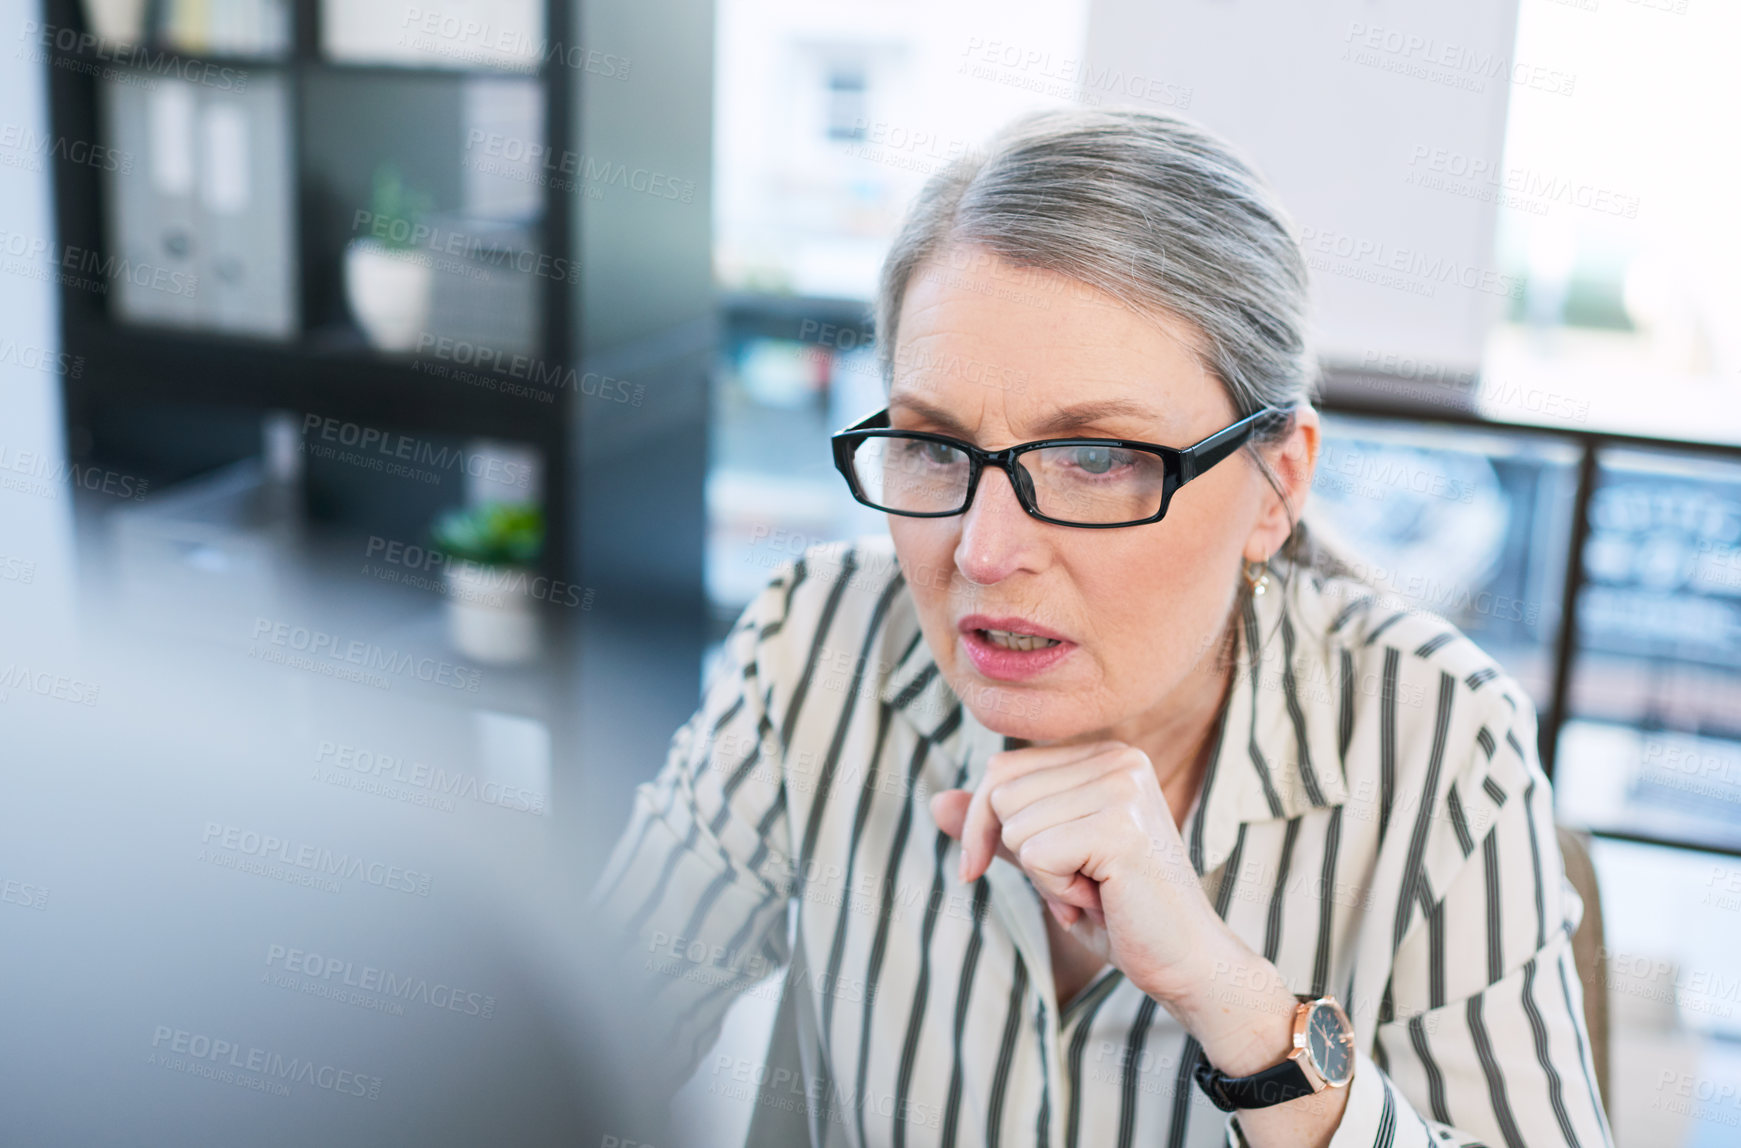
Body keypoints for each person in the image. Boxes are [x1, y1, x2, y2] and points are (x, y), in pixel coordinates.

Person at [585, 106, 1612, 1148]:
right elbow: (575, 1035)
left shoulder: (1433, 731)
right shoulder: (816, 644)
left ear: (1275, 484)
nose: (983, 552)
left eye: (1096, 457)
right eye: (933, 446)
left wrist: (1237, 1005)